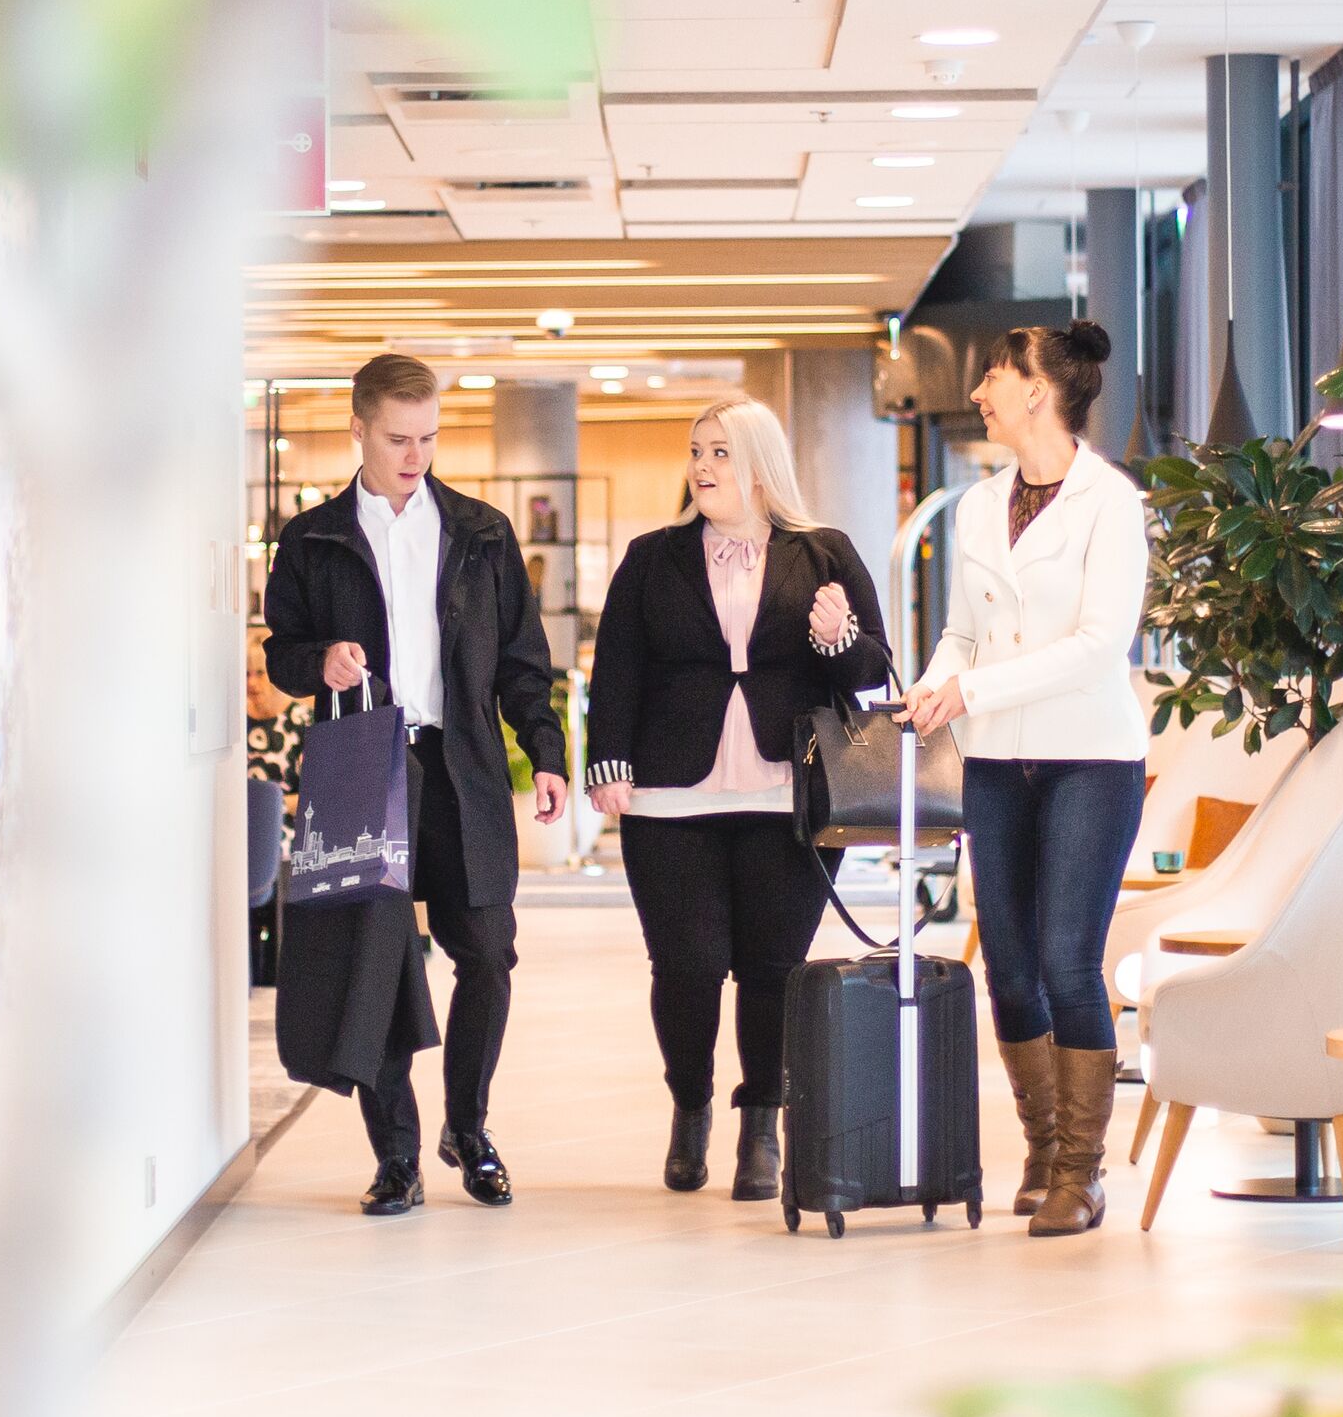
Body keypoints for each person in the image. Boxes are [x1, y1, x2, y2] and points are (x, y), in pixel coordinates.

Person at [262, 354, 574, 1216]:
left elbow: (522, 662)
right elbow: (280, 654)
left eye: (429, 436)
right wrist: (317, 661)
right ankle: (395, 1154)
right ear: (358, 428)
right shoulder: (313, 539)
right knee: (376, 965)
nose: (415, 453)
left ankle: (466, 1128)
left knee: (488, 952)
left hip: (461, 765)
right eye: (398, 437)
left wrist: (545, 752)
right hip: (362, 768)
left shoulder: (480, 532)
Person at [583, 397, 892, 1198]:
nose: (702, 466)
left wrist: (835, 636)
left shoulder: (823, 553)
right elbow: (616, 664)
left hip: (787, 794)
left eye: (719, 451)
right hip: (668, 794)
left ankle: (763, 1127)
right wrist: (605, 758)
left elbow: (870, 668)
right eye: (696, 451)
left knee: (772, 968)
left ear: (759, 463)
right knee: (686, 964)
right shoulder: (653, 557)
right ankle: (690, 1106)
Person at [902, 321, 1149, 1237]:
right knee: (1006, 964)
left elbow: (1097, 649)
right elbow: (962, 631)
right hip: (997, 757)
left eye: (995, 376)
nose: (981, 393)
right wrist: (933, 689)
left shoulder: (1110, 504)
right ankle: (1043, 1148)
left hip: (1091, 757)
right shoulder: (975, 506)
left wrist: (973, 686)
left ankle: (1083, 1173)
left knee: (1065, 961)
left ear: (1038, 391)